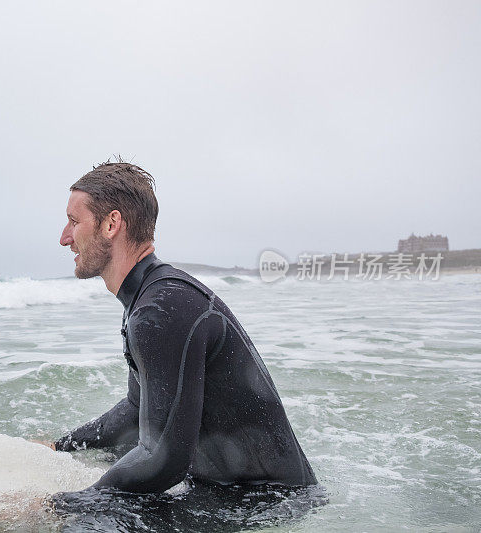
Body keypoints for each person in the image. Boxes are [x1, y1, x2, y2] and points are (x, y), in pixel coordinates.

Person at [50, 161, 317, 493]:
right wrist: (62, 446)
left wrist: (65, 506)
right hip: (232, 487)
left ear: (111, 224)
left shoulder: (160, 309)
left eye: (74, 222)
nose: (64, 238)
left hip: (264, 499)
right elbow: (136, 410)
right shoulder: (153, 297)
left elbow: (162, 460)